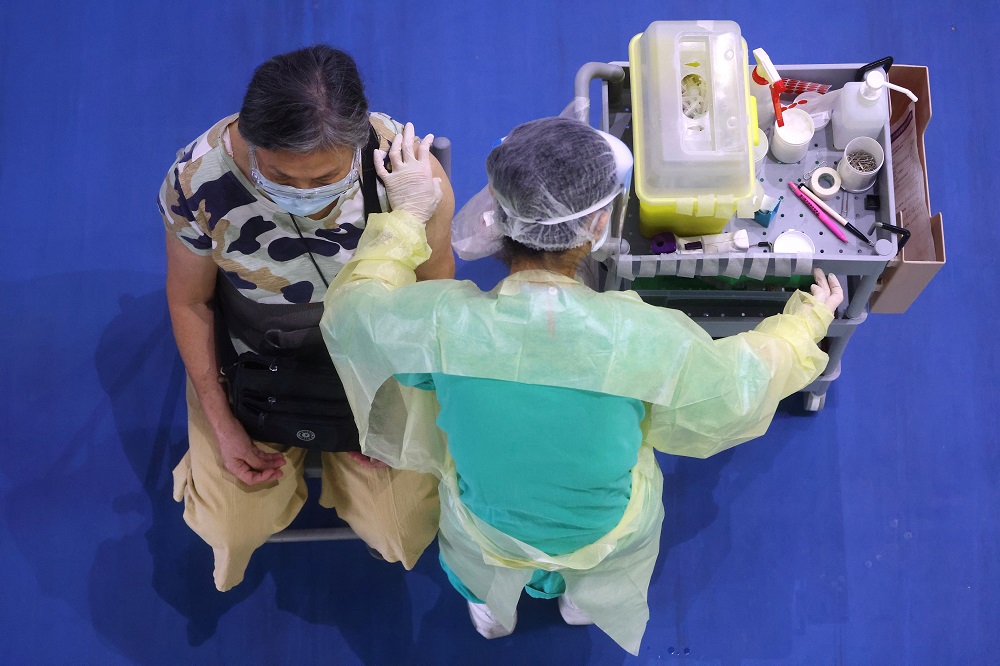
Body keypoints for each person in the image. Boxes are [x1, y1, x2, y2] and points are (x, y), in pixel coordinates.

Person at [319, 116, 842, 654]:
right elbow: (738, 383)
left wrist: (406, 215)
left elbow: (354, 315)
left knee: (479, 564)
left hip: (487, 525)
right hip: (604, 534)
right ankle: (581, 602)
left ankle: (490, 608)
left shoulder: (443, 328)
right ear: (596, 229)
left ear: (496, 216)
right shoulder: (642, 337)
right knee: (603, 555)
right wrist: (806, 324)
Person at [159, 45, 454, 592]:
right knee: (230, 525)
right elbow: (189, 301)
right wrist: (223, 425)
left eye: (321, 178)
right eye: (277, 176)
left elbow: (435, 292)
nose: (300, 195)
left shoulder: (407, 174)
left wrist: (393, 413)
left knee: (402, 531)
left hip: (375, 359)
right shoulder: (195, 183)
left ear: (357, 141)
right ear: (250, 139)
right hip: (255, 353)